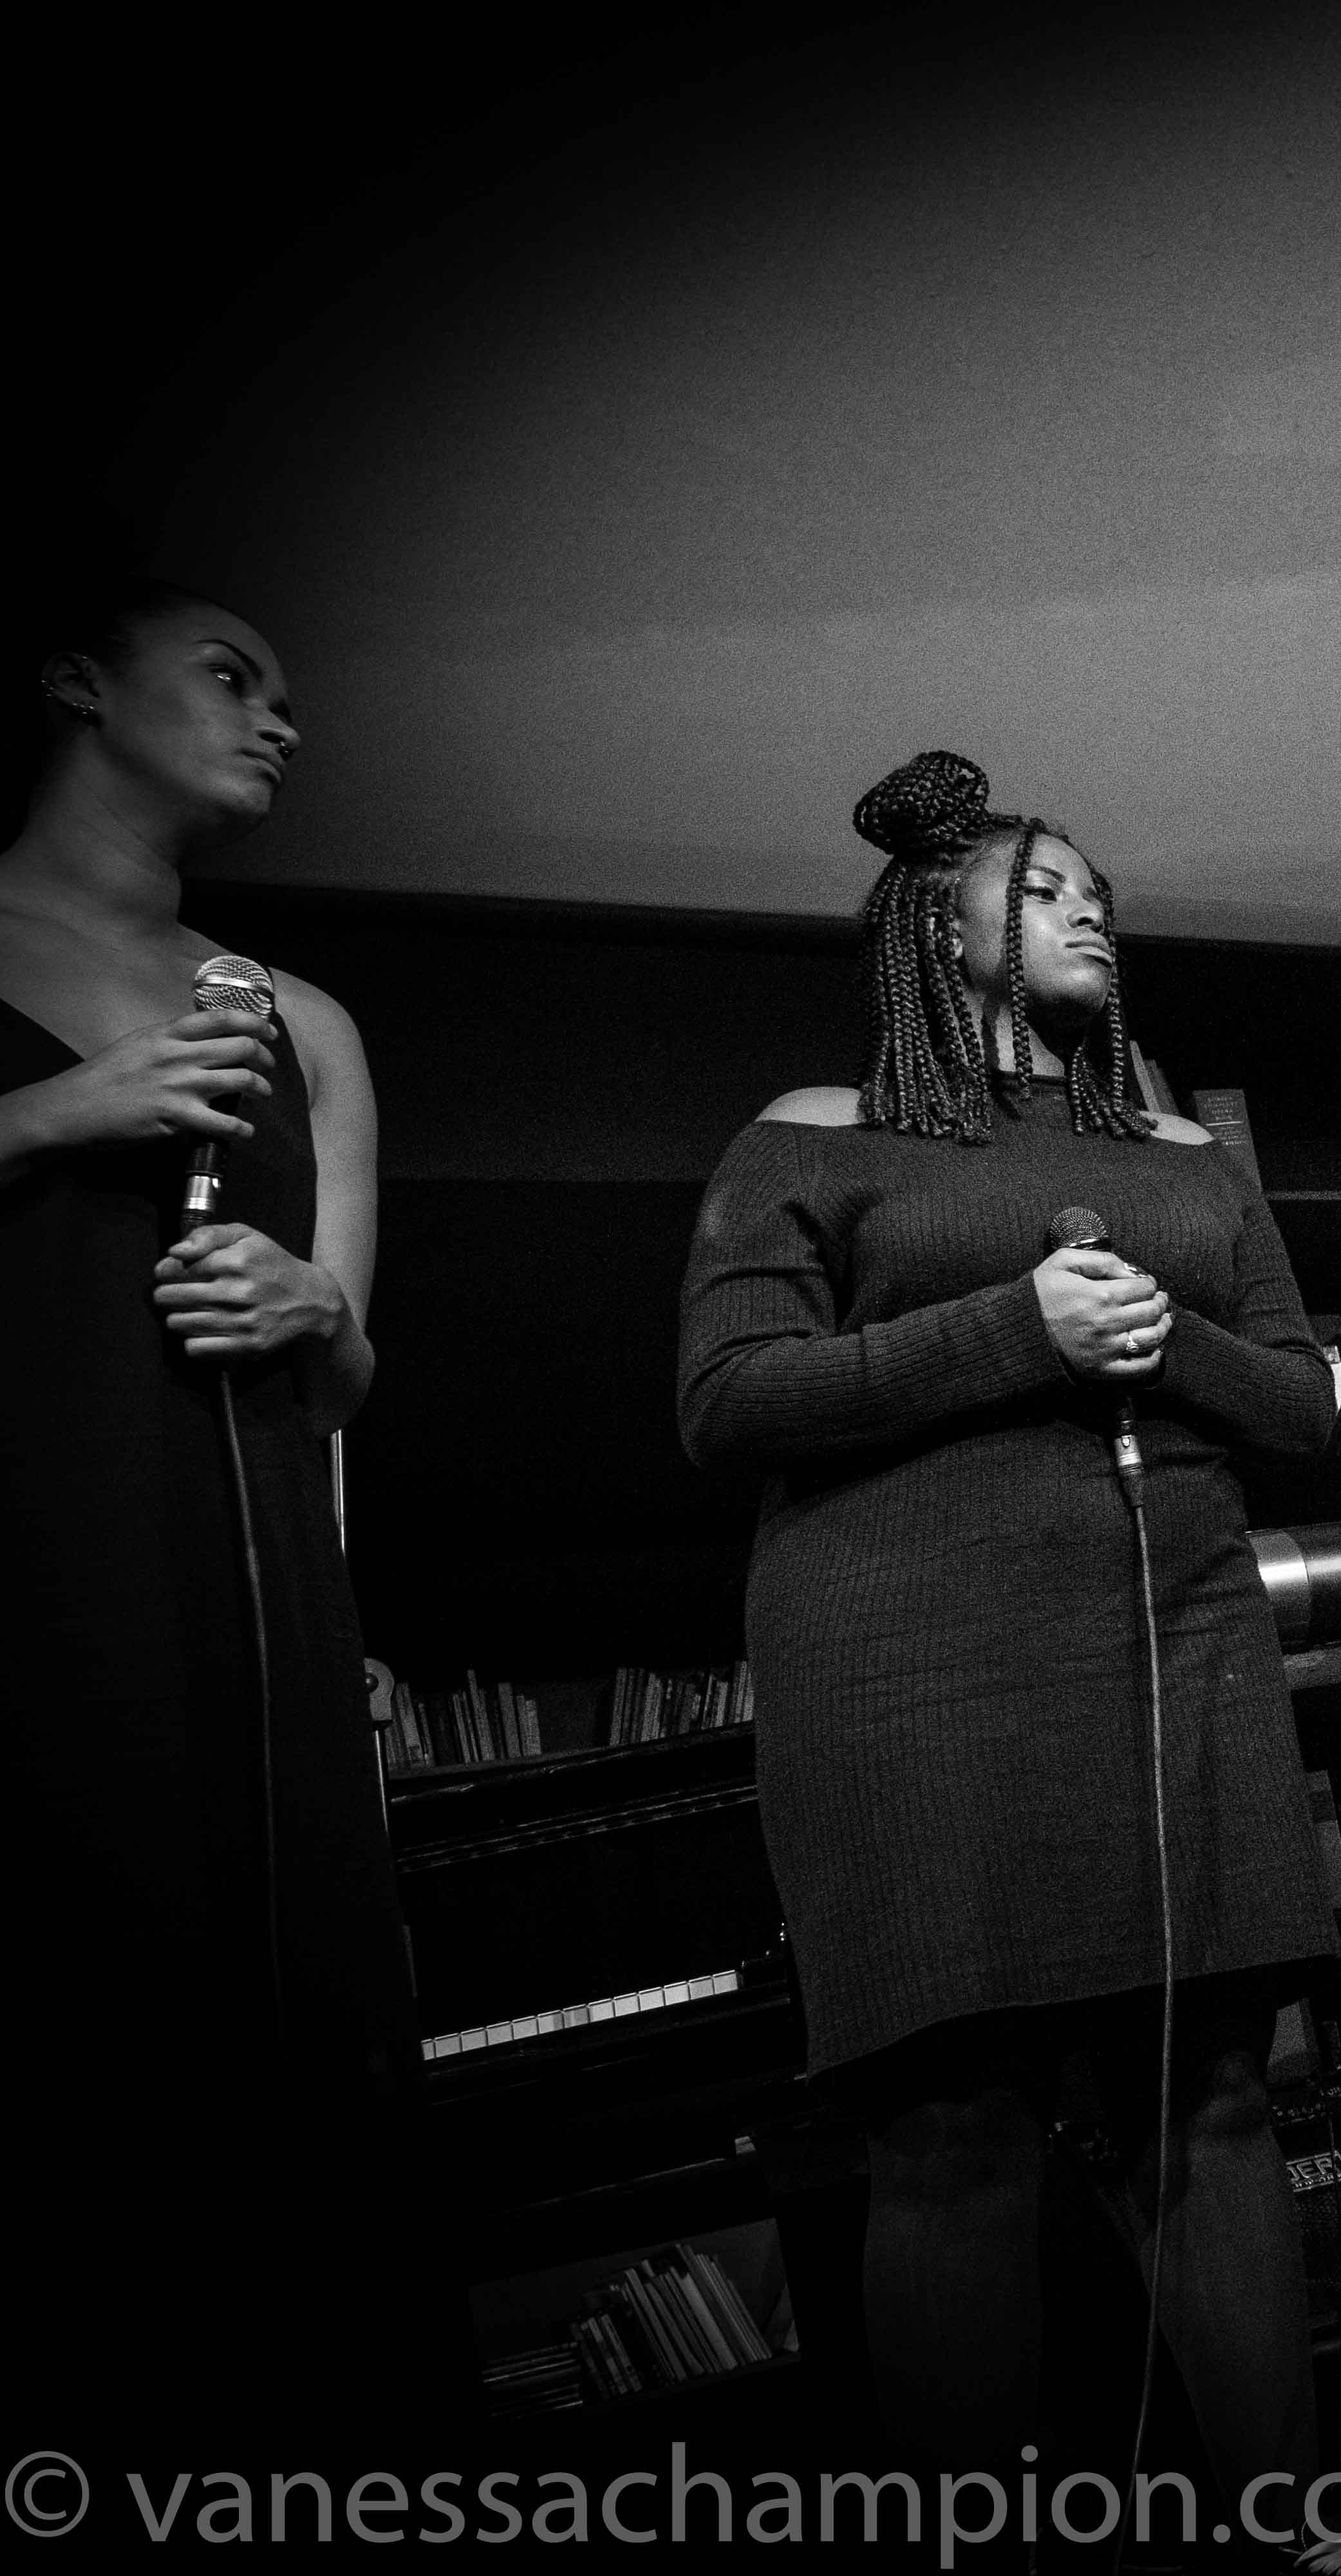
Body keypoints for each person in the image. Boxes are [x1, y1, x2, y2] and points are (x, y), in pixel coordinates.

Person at [677, 750, 1336, 2479]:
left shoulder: (1184, 1149)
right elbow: (728, 1399)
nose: (1088, 910)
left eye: (1097, 894)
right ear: (930, 928)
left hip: (1173, 1633)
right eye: (1042, 889)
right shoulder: (816, 1132)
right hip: (909, 1670)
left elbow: (1304, 1404)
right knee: (956, 2124)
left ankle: (1299, 2521)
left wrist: (1160, 1342)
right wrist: (1014, 1328)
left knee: (1211, 2092)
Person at [0, 579, 436, 2448]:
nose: (280, 719)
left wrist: (311, 1305)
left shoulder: (302, 1021)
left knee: (295, 2075)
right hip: (43, 1590)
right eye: (231, 676)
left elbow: (347, 1381)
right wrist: (55, 1114)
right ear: (79, 680)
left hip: (246, 1603)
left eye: (290, 697)